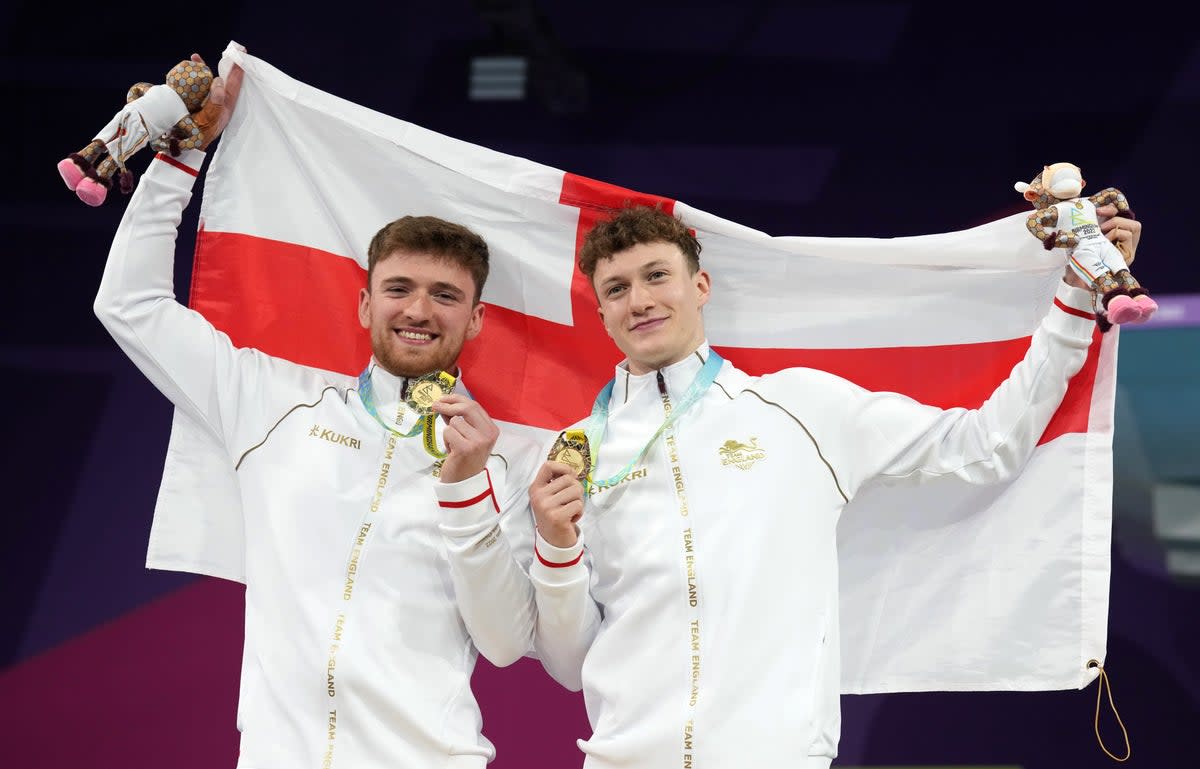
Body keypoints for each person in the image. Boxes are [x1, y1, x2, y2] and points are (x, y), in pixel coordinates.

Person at [522, 204, 1141, 768]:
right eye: (617, 288)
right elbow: (570, 662)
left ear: (700, 287)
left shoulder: (800, 407)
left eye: (657, 276)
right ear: (600, 312)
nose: (639, 300)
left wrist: (1073, 302)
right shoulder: (576, 452)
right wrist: (555, 550)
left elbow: (985, 446)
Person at [93, 53, 545, 769]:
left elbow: (505, 642)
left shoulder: (507, 455)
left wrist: (467, 485)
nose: (419, 310)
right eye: (399, 288)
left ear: (477, 319)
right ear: (366, 303)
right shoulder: (274, 403)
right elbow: (131, 306)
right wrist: (176, 167)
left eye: (445, 295)